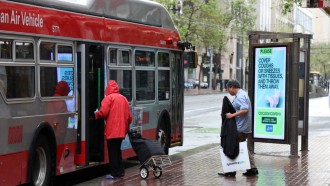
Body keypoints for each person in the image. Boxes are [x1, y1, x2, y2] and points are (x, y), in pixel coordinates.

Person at [219, 79, 258, 177]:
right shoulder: (242, 94)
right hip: (244, 127)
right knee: (241, 147)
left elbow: (244, 110)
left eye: (228, 89)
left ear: (232, 87)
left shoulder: (240, 96)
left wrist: (232, 115)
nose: (228, 91)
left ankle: (231, 170)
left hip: (240, 128)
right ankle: (252, 169)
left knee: (231, 146)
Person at [95, 80, 132, 179]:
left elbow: (103, 113)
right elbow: (129, 117)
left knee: (112, 152)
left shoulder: (108, 99)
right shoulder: (124, 99)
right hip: (121, 131)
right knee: (117, 150)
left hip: (112, 131)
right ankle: (120, 171)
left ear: (107, 89)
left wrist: (96, 114)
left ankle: (115, 173)